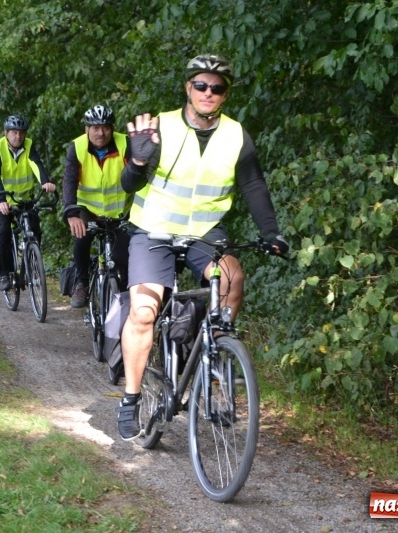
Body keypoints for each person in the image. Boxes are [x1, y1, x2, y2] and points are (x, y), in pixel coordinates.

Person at [114, 54, 289, 440]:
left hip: (204, 232)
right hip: (153, 230)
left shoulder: (236, 135)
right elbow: (129, 185)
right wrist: (138, 162)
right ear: (188, 88)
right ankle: (130, 398)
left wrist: (272, 232)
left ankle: (213, 351)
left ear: (225, 95)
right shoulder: (161, 127)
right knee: (144, 312)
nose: (209, 93)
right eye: (201, 85)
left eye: (217, 87)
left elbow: (253, 187)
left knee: (232, 278)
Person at [62, 105, 133, 308]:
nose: (100, 133)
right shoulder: (77, 147)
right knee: (81, 237)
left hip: (120, 213)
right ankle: (81, 282)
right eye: (95, 128)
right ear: (87, 130)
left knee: (123, 257)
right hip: (88, 210)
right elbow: (69, 181)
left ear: (112, 128)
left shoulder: (124, 144)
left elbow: (137, 177)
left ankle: (125, 298)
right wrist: (71, 211)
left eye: (105, 127)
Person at [0, 115, 56, 292]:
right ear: (6, 133)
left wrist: (45, 181)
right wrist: (1, 201)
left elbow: (36, 164)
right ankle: (4, 274)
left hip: (24, 199)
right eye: (14, 133)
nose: (18, 137)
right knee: (2, 231)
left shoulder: (29, 146)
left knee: (34, 230)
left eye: (21, 133)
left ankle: (28, 270)